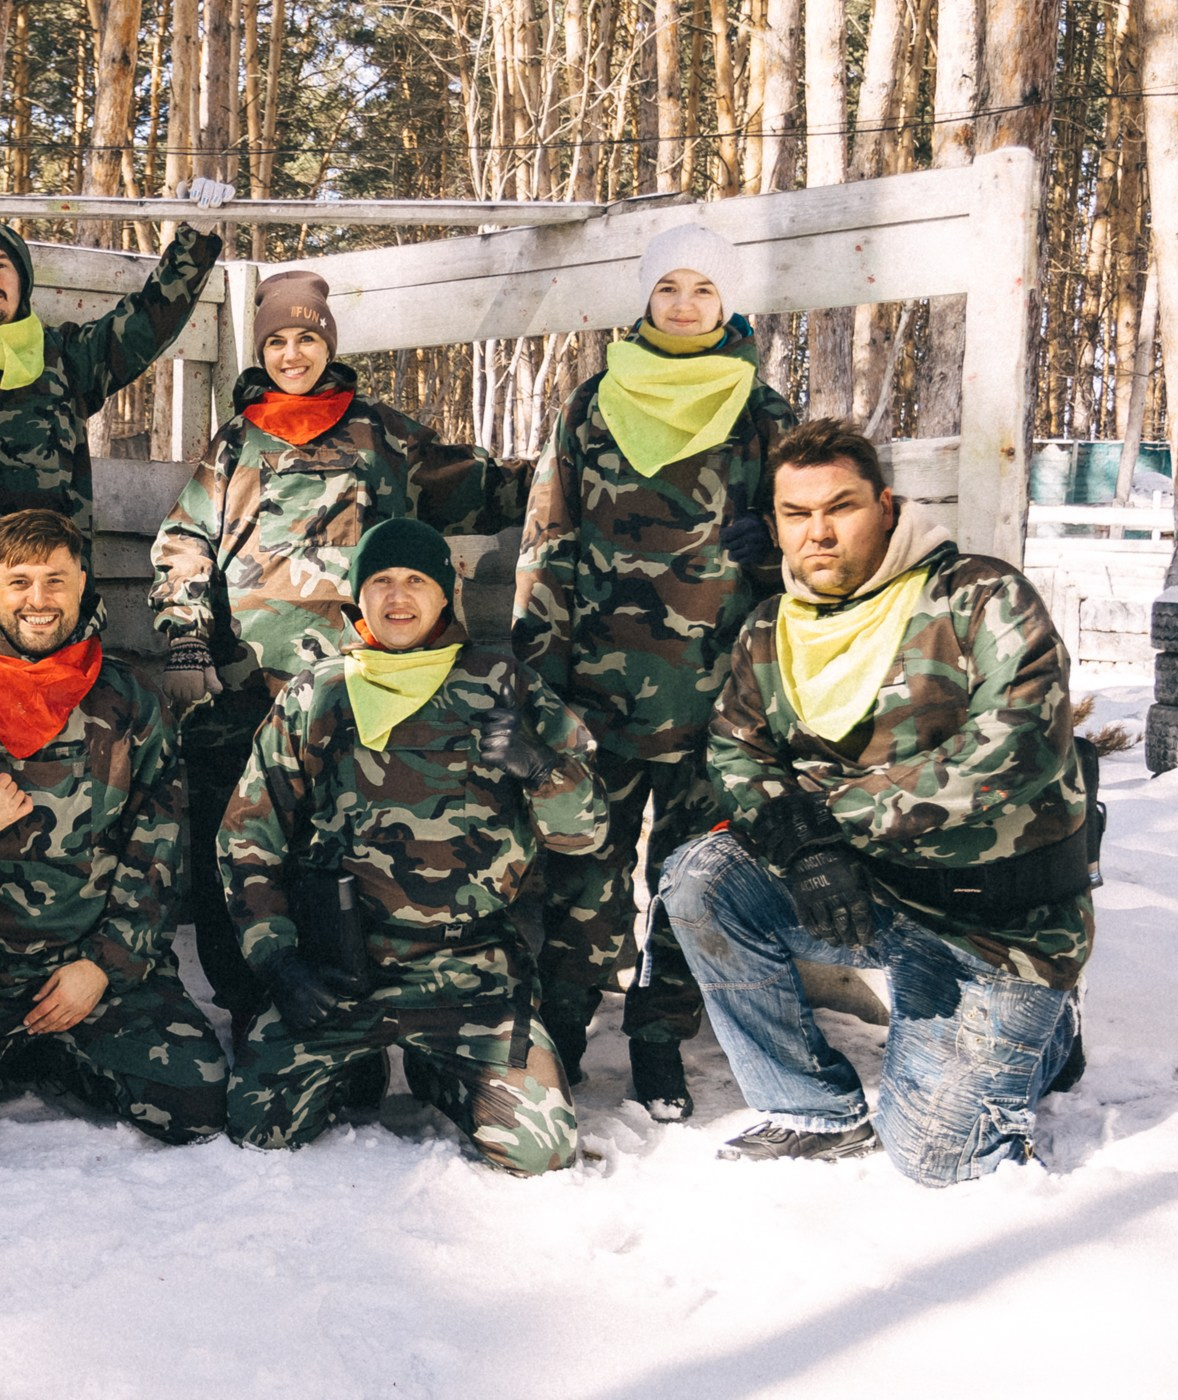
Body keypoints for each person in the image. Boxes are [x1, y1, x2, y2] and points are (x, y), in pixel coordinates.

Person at [660, 420, 1094, 1183]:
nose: (818, 533)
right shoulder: (772, 630)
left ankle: (1049, 1033)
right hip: (865, 898)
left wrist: (831, 823)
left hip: (987, 924)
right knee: (701, 879)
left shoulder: (977, 596)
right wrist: (802, 848)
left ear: (887, 508)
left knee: (939, 1162)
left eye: (842, 507)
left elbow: (1017, 745)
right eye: (796, 514)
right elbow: (737, 748)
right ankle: (810, 1109)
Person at [149, 270, 525, 1019]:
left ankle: (344, 999)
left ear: (329, 345)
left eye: (307, 338)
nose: (292, 355)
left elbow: (481, 485)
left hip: (356, 691)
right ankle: (251, 1001)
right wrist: (186, 641)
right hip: (247, 690)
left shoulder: (381, 435)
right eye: (277, 342)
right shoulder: (236, 442)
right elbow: (184, 542)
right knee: (236, 841)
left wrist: (572, 471)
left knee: (339, 845)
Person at [512, 223, 795, 1117]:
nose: (683, 304)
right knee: (583, 871)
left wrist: (773, 550)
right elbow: (548, 539)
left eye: (703, 288)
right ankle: (562, 1024)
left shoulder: (763, 413)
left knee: (691, 871)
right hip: (598, 692)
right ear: (645, 295)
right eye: (668, 286)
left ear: (727, 301)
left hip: (719, 698)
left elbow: (813, 543)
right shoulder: (593, 403)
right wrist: (538, 675)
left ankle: (659, 1036)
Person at [220, 520, 604, 1174]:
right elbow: (247, 837)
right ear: (358, 596)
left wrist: (541, 767)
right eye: (381, 581)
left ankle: (441, 1071)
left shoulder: (504, 686)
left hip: (470, 967)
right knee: (259, 1128)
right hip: (344, 963)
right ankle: (356, 1062)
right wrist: (279, 961)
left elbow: (585, 833)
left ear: (445, 592)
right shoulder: (317, 694)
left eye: (416, 581)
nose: (398, 597)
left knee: (542, 1153)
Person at [0, 509, 228, 1169]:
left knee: (196, 1104)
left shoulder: (131, 700)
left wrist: (103, 967)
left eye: (55, 581)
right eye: (20, 582)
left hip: (91, 961)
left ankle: (59, 1050)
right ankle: (14, 1045)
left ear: (83, 583)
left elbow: (160, 855)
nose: (38, 600)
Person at [0, 178, 232, 535]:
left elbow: (147, 325)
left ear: (22, 280)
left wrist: (195, 240)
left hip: (52, 563)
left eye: (0, 265)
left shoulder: (65, 355)